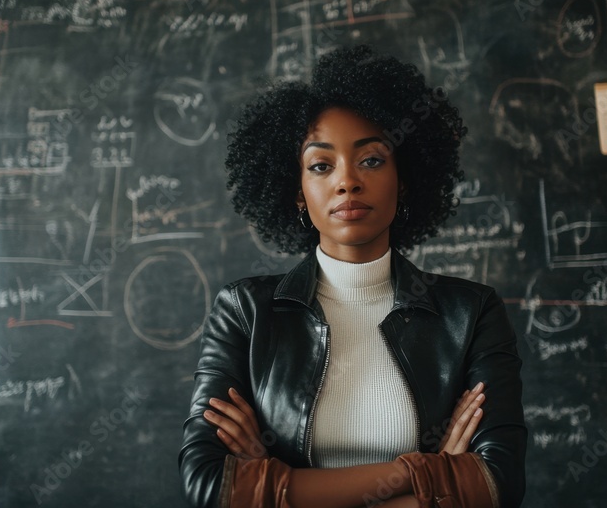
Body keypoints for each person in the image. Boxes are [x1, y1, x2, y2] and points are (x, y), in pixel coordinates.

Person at [179, 45, 526, 507]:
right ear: (298, 191)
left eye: (372, 159)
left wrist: (275, 485)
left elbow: (498, 483)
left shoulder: (471, 313)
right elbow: (206, 486)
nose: (347, 181)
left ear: (404, 180)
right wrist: (429, 476)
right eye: (321, 165)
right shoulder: (245, 313)